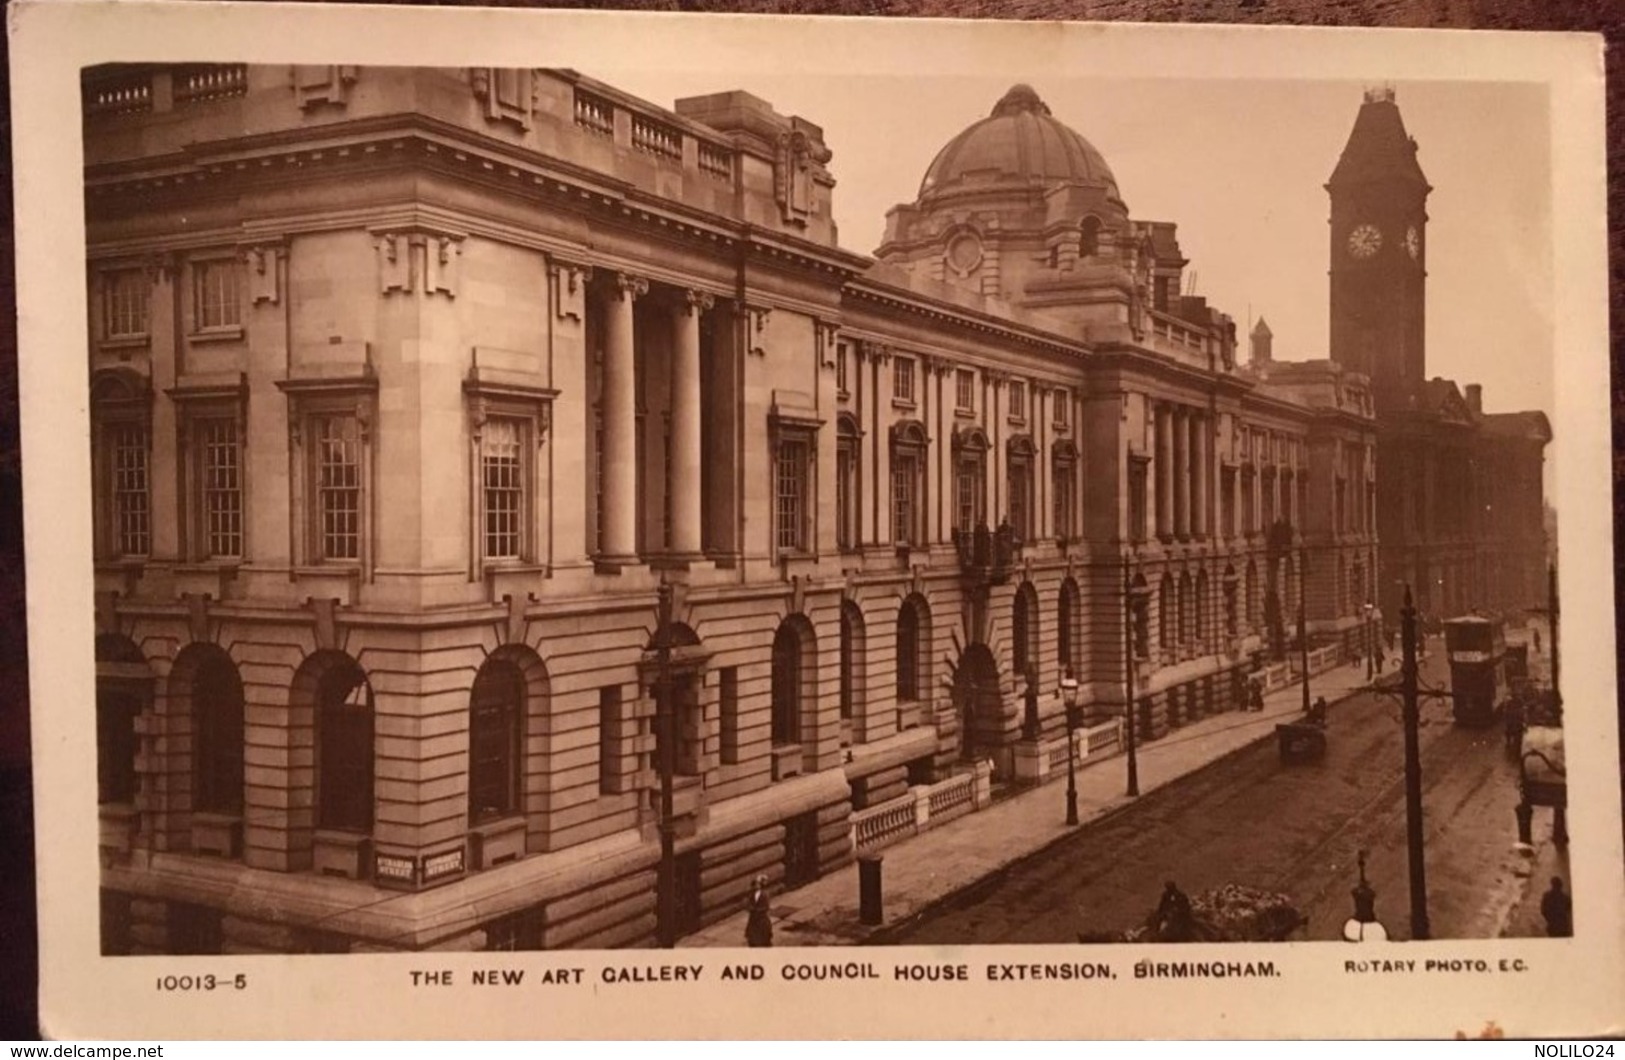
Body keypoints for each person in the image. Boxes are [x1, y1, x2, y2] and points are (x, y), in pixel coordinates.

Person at [745, 873, 773, 948]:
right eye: (754, 885)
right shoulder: (751, 895)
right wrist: (750, 908)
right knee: (753, 935)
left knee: (763, 935)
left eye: (757, 885)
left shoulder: (764, 895)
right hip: (754, 918)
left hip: (761, 918)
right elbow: (748, 903)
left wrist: (757, 910)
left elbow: (766, 907)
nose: (755, 887)